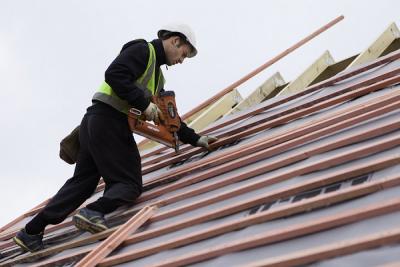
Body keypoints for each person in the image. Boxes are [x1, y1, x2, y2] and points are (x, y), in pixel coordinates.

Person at [13, 23, 217, 252]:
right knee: (129, 183)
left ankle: (31, 231)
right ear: (175, 40)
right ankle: (94, 212)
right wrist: (144, 105)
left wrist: (196, 139)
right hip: (110, 121)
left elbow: (171, 119)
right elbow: (114, 74)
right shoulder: (143, 50)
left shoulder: (158, 79)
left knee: (82, 183)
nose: (182, 60)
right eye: (184, 53)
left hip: (94, 123)